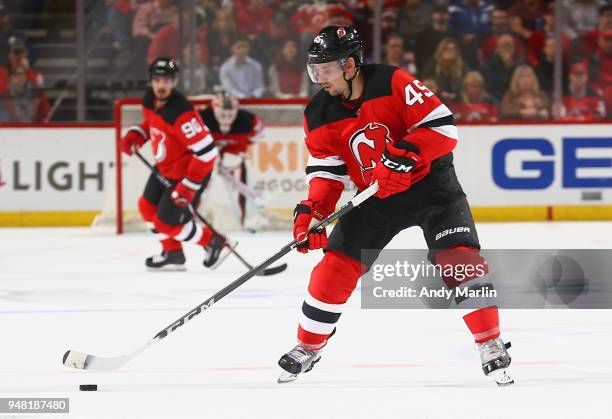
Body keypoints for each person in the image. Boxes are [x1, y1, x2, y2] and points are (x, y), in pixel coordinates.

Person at [277, 26, 514, 387]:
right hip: (375, 195)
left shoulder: (392, 82)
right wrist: (315, 210)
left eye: (326, 69)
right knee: (334, 268)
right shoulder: (318, 112)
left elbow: (444, 128)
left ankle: (490, 341)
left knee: (459, 260)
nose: (319, 78)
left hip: (431, 187)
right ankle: (308, 346)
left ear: (350, 65)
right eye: (315, 69)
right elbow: (328, 171)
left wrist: (407, 156)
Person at [119, 58, 224, 271]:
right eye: (157, 80)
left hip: (187, 175)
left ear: (173, 82)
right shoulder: (150, 101)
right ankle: (173, 253)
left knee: (166, 222)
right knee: (146, 206)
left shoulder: (181, 113)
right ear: (150, 81)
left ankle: (211, 241)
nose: (161, 85)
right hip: (165, 168)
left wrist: (190, 184)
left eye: (166, 80)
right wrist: (137, 135)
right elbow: (153, 124)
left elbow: (207, 152)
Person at [199, 91, 265, 226]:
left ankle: (246, 219)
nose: (226, 118)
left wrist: (238, 150)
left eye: (230, 115)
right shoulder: (202, 118)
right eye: (223, 114)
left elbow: (259, 134)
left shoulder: (248, 121)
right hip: (208, 156)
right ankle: (193, 216)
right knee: (199, 184)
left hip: (233, 156)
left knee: (239, 174)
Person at [420, 37, 467, 104]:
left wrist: (457, 95)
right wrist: (440, 93)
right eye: (447, 49)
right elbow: (425, 85)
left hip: (458, 102)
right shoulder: (432, 66)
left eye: (453, 49)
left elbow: (466, 85)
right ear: (441, 50)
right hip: (436, 101)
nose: (451, 51)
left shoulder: (462, 67)